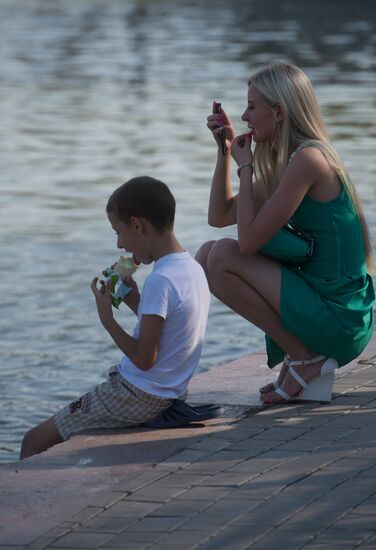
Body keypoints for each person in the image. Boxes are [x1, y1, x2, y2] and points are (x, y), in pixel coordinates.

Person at [196, 61, 374, 405]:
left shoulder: (309, 160)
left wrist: (245, 166)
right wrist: (224, 152)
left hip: (339, 317)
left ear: (278, 112)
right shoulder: (290, 162)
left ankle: (307, 360)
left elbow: (246, 243)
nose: (245, 116)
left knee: (221, 255)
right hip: (323, 306)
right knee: (207, 255)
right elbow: (219, 217)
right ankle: (303, 357)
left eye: (251, 106)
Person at [21, 176, 210, 459]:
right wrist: (133, 297)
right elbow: (168, 329)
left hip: (139, 394)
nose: (120, 244)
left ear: (138, 225)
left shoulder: (161, 279)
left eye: (118, 232)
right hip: (169, 391)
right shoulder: (190, 268)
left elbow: (145, 359)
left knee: (33, 441)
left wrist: (107, 319)